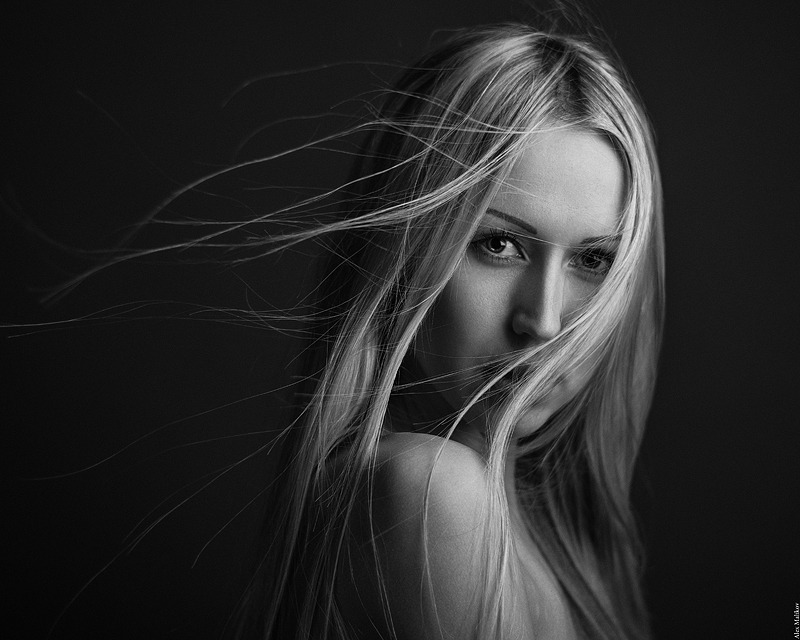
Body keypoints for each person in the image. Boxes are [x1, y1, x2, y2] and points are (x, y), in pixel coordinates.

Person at [219, 19, 664, 640]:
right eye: (499, 243)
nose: (542, 320)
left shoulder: (551, 546)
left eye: (594, 261)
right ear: (403, 249)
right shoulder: (432, 493)